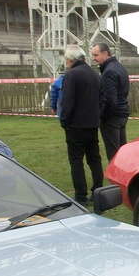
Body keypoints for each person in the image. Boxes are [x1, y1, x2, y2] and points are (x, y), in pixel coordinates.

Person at [58, 46, 103, 204]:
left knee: (76, 161)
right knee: (94, 159)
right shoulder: (95, 74)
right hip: (92, 124)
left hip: (75, 125)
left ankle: (81, 196)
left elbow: (67, 101)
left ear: (70, 59)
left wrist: (64, 121)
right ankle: (98, 191)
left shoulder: (71, 75)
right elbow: (101, 99)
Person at [91, 42, 130, 161]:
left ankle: (116, 179)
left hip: (112, 118)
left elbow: (109, 100)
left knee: (113, 153)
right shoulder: (120, 67)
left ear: (105, 53)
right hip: (122, 113)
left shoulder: (108, 72)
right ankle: (126, 177)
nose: (94, 59)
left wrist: (102, 116)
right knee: (122, 150)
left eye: (96, 55)